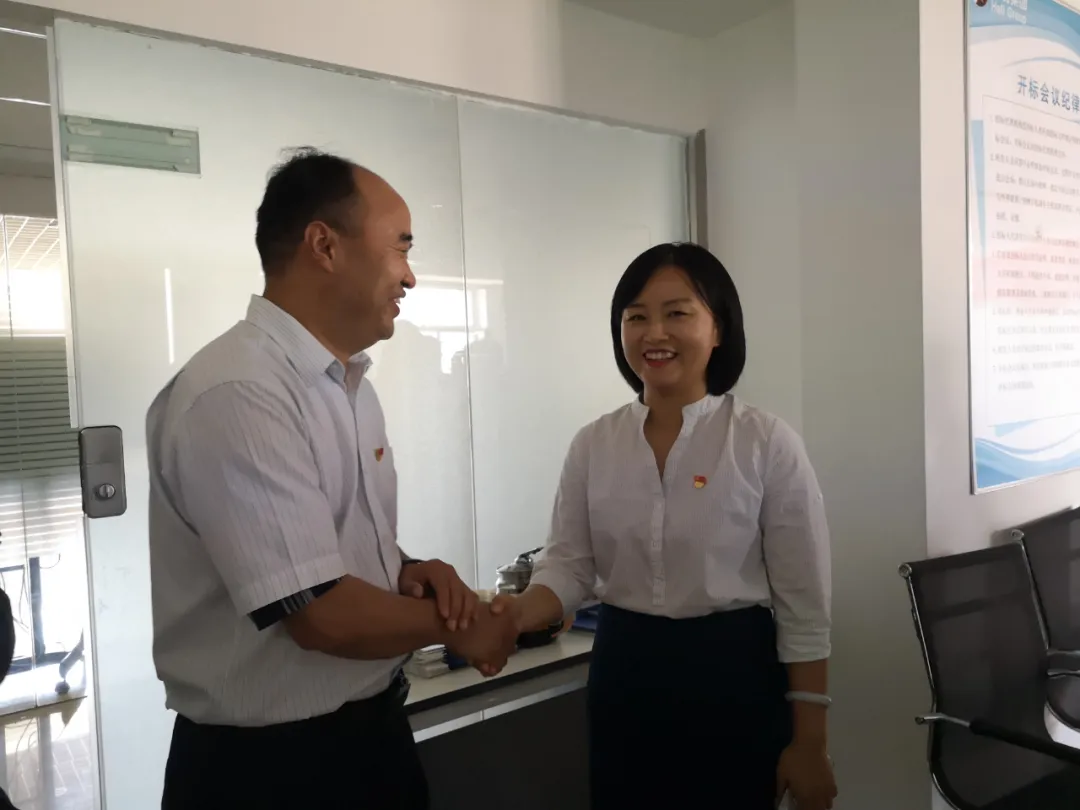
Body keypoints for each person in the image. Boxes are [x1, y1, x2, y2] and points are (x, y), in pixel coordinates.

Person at [147, 148, 518, 810]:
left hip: (367, 733)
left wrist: (405, 570)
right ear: (324, 245)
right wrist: (460, 626)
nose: (409, 276)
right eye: (400, 247)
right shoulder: (240, 390)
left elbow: (321, 545)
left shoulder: (346, 385)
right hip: (269, 770)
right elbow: (320, 615)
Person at [492, 243, 837, 810]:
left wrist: (810, 743)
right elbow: (569, 568)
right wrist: (512, 615)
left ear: (718, 328)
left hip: (733, 677)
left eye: (677, 313)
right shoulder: (593, 444)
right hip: (625, 674)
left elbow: (805, 606)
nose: (654, 333)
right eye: (636, 317)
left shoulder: (764, 442)